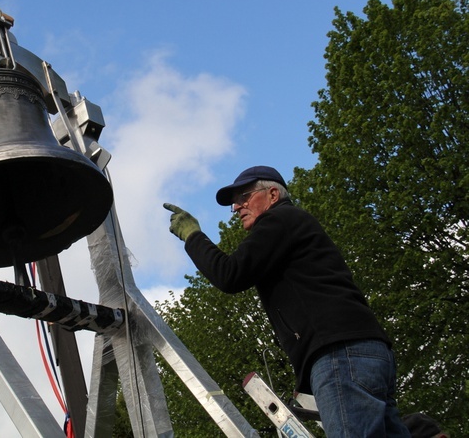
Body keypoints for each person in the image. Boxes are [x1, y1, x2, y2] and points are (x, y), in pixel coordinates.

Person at [164, 165, 411, 437]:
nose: (236, 207)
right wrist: (307, 376)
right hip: (365, 352)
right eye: (234, 203)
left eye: (244, 196)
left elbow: (230, 275)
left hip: (340, 354)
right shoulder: (292, 226)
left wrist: (193, 236)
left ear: (272, 194)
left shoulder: (279, 220)